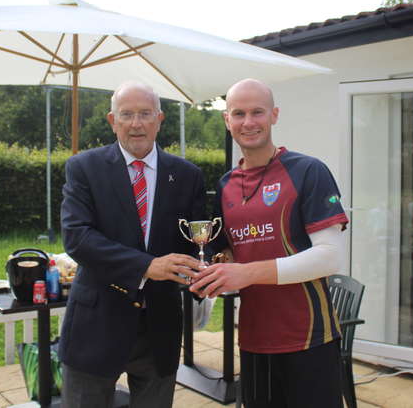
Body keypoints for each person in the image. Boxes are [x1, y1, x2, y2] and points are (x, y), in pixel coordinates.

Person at [190, 78, 349, 408]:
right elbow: (235, 250)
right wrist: (222, 265)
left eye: (257, 112)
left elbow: (331, 257)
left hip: (309, 337)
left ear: (274, 115)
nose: (248, 122)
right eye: (238, 113)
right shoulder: (225, 185)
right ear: (226, 120)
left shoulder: (308, 171)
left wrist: (248, 273)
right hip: (254, 338)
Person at [59, 81, 206, 408]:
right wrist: (146, 266)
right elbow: (77, 237)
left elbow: (196, 240)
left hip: (160, 327)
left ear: (159, 118)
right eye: (127, 114)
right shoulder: (83, 168)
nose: (136, 123)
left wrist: (209, 262)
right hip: (95, 325)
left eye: (145, 114)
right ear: (113, 120)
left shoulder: (187, 175)